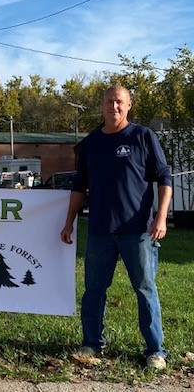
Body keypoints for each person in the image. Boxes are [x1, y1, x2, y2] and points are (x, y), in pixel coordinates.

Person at [60, 85, 172, 370]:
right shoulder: (90, 143)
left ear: (129, 105)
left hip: (137, 231)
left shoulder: (143, 137)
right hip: (99, 229)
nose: (114, 106)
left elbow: (163, 177)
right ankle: (92, 344)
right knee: (94, 289)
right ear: (102, 105)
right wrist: (68, 222)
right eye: (109, 101)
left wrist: (160, 216)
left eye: (119, 101)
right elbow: (79, 186)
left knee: (145, 289)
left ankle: (155, 350)